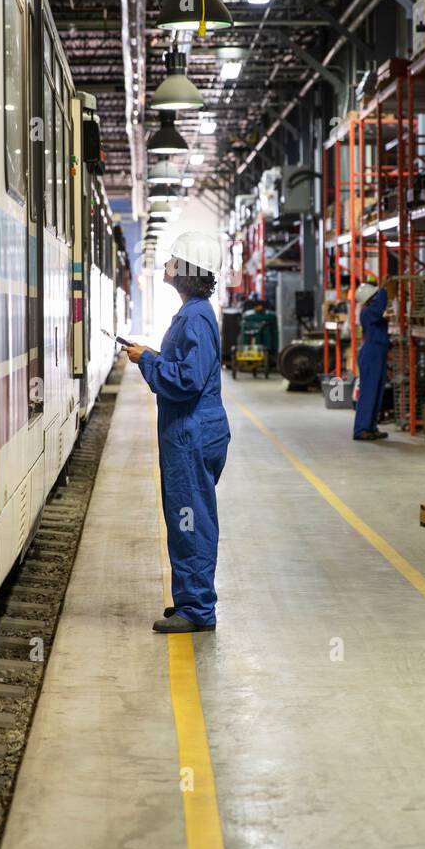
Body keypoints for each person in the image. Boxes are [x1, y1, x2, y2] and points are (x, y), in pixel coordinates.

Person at [125, 231, 230, 634]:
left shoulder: (195, 317)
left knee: (191, 520)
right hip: (192, 430)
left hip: (191, 432)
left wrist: (146, 363)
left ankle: (198, 610)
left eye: (174, 260)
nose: (167, 265)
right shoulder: (195, 313)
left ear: (186, 271)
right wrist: (151, 355)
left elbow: (186, 381)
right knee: (187, 516)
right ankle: (190, 597)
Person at [353, 277, 392, 442]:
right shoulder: (368, 311)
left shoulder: (372, 312)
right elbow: (380, 305)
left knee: (377, 393)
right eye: (374, 295)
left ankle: (371, 427)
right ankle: (361, 429)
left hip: (378, 353)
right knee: (368, 392)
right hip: (371, 354)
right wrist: (383, 289)